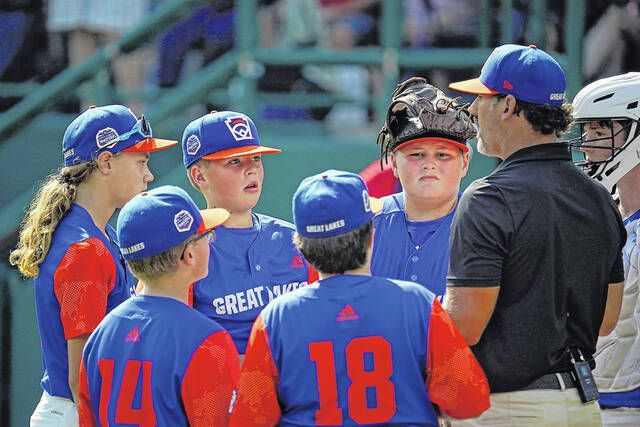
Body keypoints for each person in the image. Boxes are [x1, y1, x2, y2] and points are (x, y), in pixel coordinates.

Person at [444, 43, 626, 426]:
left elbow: (465, 326)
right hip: (580, 407)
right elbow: (607, 319)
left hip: (506, 410)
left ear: (508, 106)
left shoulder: (488, 196)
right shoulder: (599, 197)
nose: (474, 110)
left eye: (483, 98)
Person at [229, 170, 490, 426]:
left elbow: (251, 419)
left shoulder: (276, 319)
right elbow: (468, 402)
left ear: (301, 247)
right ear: (371, 235)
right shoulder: (418, 303)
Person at [8, 105, 177, 426]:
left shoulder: (99, 232)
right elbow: (82, 378)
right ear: (106, 162)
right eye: (141, 162)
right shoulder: (84, 248)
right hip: (80, 414)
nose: (149, 174)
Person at [78, 185, 240, 426]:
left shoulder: (101, 334)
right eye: (207, 235)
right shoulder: (208, 340)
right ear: (190, 256)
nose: (211, 241)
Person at [181, 110, 318, 357]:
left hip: (294, 388)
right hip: (223, 389)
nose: (251, 169)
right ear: (199, 175)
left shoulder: (294, 239)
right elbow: (173, 342)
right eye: (234, 161)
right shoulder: (184, 249)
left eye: (255, 158)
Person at [571, 72, 640, 426]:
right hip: (591, 403)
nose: (585, 144)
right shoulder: (606, 213)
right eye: (586, 132)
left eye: (600, 132)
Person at [372, 77, 476, 298]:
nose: (429, 163)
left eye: (443, 155)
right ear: (394, 163)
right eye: (416, 154)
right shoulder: (366, 226)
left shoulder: (483, 228)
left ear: (465, 162)